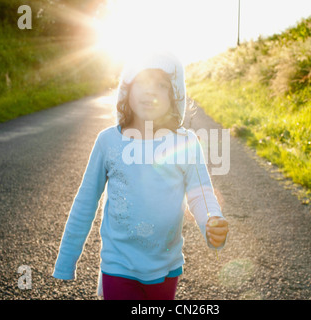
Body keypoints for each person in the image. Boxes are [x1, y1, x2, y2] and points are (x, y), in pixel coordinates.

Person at [52, 50, 229, 300]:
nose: (150, 91)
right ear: (127, 90)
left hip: (166, 266)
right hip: (118, 265)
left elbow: (200, 194)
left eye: (161, 85)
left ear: (174, 95)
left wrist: (212, 221)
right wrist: (66, 261)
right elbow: (85, 202)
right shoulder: (108, 141)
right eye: (142, 81)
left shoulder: (185, 142)